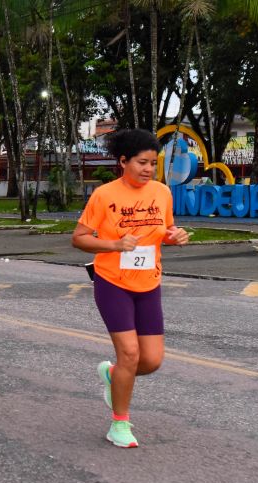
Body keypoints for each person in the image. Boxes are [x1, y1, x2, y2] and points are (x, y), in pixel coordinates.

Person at [71, 128, 189, 448]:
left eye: (153, 163)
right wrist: (114, 244)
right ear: (123, 162)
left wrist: (173, 236)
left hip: (149, 282)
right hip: (112, 282)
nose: (148, 169)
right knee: (130, 353)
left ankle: (113, 376)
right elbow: (79, 238)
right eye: (141, 162)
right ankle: (119, 424)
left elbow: (164, 228)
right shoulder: (105, 195)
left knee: (150, 361)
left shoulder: (162, 192)